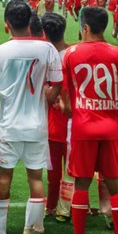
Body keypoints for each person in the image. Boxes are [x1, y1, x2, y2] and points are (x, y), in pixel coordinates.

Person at [57, 6, 118, 234]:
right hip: (111, 127)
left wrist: (72, 109)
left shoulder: (70, 53)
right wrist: (113, 109)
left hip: (83, 127)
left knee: (81, 184)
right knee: (114, 185)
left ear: (85, 28)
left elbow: (65, 94)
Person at [0, 0, 63, 234]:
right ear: (31, 23)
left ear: (7, 23)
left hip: (9, 125)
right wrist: (48, 99)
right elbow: (57, 82)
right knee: (36, 178)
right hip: (36, 125)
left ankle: (0, 232)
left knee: (4, 179)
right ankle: (28, 233)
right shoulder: (47, 49)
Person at [41, 13, 73, 221]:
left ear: (44, 33)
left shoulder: (45, 56)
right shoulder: (74, 53)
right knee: (72, 170)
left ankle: (51, 206)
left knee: (54, 172)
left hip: (53, 122)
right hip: (74, 121)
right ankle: (67, 208)